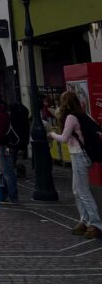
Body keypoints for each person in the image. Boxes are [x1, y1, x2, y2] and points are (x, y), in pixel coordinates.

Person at [49, 90, 101, 238]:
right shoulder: (85, 114)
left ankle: (95, 224)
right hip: (86, 155)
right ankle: (84, 220)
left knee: (82, 191)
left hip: (78, 155)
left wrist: (51, 134)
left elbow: (64, 138)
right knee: (76, 190)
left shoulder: (71, 117)